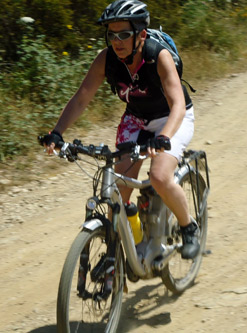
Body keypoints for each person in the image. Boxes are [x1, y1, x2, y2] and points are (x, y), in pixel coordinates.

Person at [43, 0, 200, 260]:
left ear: (141, 35)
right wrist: (57, 132)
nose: (117, 41)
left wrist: (163, 137)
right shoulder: (106, 59)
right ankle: (136, 247)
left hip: (171, 118)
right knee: (118, 191)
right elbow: (82, 98)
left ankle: (188, 227)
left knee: (160, 177)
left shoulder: (157, 56)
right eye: (112, 34)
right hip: (136, 119)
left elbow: (178, 105)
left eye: (124, 34)